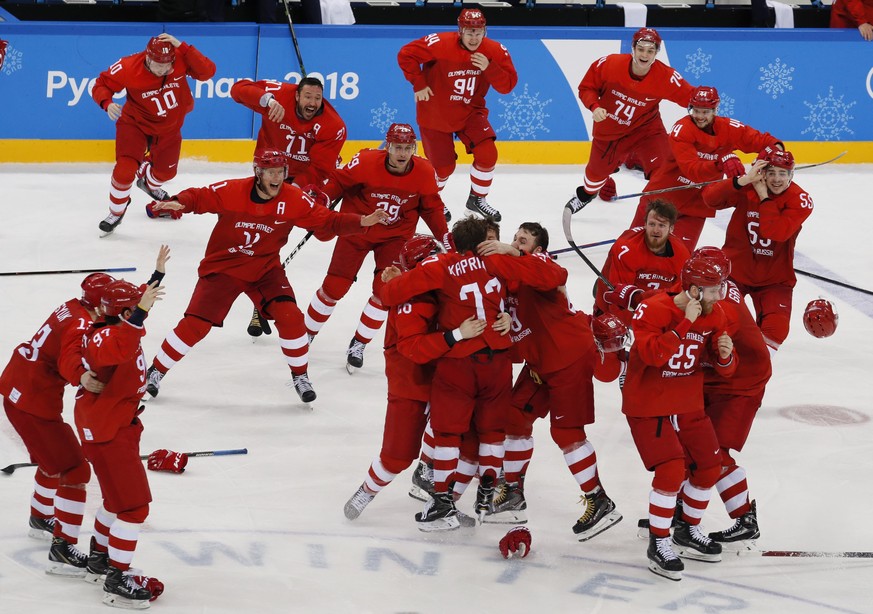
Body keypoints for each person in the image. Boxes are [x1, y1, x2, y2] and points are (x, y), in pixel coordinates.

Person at [143, 151, 389, 404]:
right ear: (258, 173)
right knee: (196, 324)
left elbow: (328, 221)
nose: (277, 177)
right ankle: (156, 372)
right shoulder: (233, 191)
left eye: (281, 172)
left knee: (291, 317)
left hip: (265, 270)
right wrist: (179, 201)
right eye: (271, 172)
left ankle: (300, 376)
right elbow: (201, 196)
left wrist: (362, 221)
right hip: (225, 268)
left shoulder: (294, 199)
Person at [380, 217, 563, 531]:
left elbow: (389, 296)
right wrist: (514, 257)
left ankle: (442, 499)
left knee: (450, 430)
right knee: (491, 431)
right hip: (502, 358)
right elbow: (556, 275)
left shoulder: (446, 265)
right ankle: (487, 494)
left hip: (464, 359)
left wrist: (398, 278)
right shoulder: (501, 264)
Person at [476, 223, 625, 541]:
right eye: (515, 237)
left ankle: (598, 499)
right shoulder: (510, 280)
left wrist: (510, 251)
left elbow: (556, 275)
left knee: (566, 433)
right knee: (514, 418)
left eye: (524, 240)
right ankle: (513, 492)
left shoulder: (541, 265)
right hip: (540, 364)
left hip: (569, 357)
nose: (516, 242)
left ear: (537, 249)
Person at [344, 234, 498, 522]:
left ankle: (437, 493)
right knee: (397, 456)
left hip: (448, 375)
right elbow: (413, 350)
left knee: (458, 435)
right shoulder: (412, 299)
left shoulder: (437, 281)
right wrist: (455, 335)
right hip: (411, 383)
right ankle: (368, 489)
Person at [623, 252, 737, 581]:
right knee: (672, 470)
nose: (721, 294)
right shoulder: (654, 307)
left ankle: (687, 529)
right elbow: (653, 355)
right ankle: (659, 543)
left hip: (687, 401)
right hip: (648, 404)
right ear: (696, 290)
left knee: (709, 466)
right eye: (715, 288)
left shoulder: (717, 315)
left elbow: (726, 369)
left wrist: (726, 356)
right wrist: (685, 322)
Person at [303, 123, 449, 372]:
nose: (402, 153)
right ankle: (305, 335)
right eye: (397, 147)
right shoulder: (366, 161)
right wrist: (324, 197)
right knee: (334, 286)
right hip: (357, 229)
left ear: (413, 148)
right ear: (388, 146)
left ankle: (359, 343)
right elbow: (338, 180)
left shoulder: (424, 171)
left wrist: (445, 237)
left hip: (395, 237)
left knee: (385, 291)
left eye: (407, 148)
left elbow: (432, 208)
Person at [0, 273, 113, 565]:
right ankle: (63, 548)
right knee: (75, 470)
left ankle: (40, 518)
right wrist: (83, 377)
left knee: (53, 463)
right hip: (35, 401)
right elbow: (69, 360)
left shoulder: (74, 306)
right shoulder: (82, 323)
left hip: (19, 388)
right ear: (101, 305)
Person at [73, 277, 164, 607]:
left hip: (110, 427)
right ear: (126, 311)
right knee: (134, 507)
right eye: (138, 306)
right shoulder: (108, 337)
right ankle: (116, 579)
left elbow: (132, 318)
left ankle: (99, 561)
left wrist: (156, 277)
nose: (145, 306)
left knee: (114, 501)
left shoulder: (116, 323)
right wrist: (139, 308)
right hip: (109, 432)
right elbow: (123, 340)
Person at [397, 9, 518, 222]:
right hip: (435, 112)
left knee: (488, 154)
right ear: (460, 31)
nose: (474, 37)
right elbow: (406, 54)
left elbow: (508, 85)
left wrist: (490, 68)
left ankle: (477, 200)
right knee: (443, 168)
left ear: (485, 31)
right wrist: (419, 83)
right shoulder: (439, 43)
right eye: (469, 32)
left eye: (478, 32)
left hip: (471, 112)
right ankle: (430, 202)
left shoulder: (495, 50)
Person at [629, 86, 783, 250]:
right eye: (696, 111)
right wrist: (720, 162)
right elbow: (693, 171)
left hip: (695, 208)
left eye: (705, 112)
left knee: (679, 259)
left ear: (715, 110)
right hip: (661, 199)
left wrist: (764, 160)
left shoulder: (730, 128)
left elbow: (771, 142)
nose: (700, 116)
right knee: (633, 250)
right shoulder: (682, 130)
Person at [91, 34, 216, 236]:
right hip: (135, 125)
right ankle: (116, 213)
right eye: (159, 65)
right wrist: (107, 102)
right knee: (124, 170)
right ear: (148, 58)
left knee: (166, 174)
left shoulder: (180, 57)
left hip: (169, 127)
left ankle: (146, 181)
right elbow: (101, 84)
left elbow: (208, 72)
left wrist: (183, 47)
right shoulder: (128, 66)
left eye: (168, 65)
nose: (165, 69)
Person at [566, 28, 695, 215]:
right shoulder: (609, 64)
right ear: (632, 48)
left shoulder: (666, 76)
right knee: (593, 178)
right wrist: (594, 106)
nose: (645, 55)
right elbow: (587, 87)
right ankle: (587, 194)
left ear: (656, 53)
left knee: (663, 168)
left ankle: (657, 214)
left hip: (646, 130)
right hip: (609, 132)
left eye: (650, 51)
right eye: (641, 49)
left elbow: (693, 99)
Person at [694, 247, 771, 545]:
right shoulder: (717, 290)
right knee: (690, 444)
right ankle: (681, 511)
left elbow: (710, 348)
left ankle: (744, 519)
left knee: (713, 452)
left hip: (741, 385)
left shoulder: (723, 308)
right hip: (715, 380)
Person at [702, 149, 813, 352]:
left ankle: (751, 374)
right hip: (735, 272)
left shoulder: (800, 200)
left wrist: (763, 196)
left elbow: (775, 232)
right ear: (762, 173)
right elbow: (710, 199)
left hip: (774, 278)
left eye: (783, 173)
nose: (777, 179)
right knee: (721, 322)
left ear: (791, 175)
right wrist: (742, 180)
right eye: (771, 172)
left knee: (776, 331)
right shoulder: (748, 187)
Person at [230, 76, 347, 188]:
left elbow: (319, 169)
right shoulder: (279, 96)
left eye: (317, 98)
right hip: (271, 166)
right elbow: (237, 90)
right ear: (297, 96)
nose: (312, 103)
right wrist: (268, 102)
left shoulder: (333, 125)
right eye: (308, 97)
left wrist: (295, 190)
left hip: (306, 174)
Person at [594, 200, 691, 326]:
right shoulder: (627, 248)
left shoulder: (682, 254)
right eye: (652, 224)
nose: (656, 230)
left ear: (671, 229)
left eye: (661, 226)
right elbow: (617, 298)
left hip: (653, 306)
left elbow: (678, 295)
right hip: (617, 301)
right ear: (644, 224)